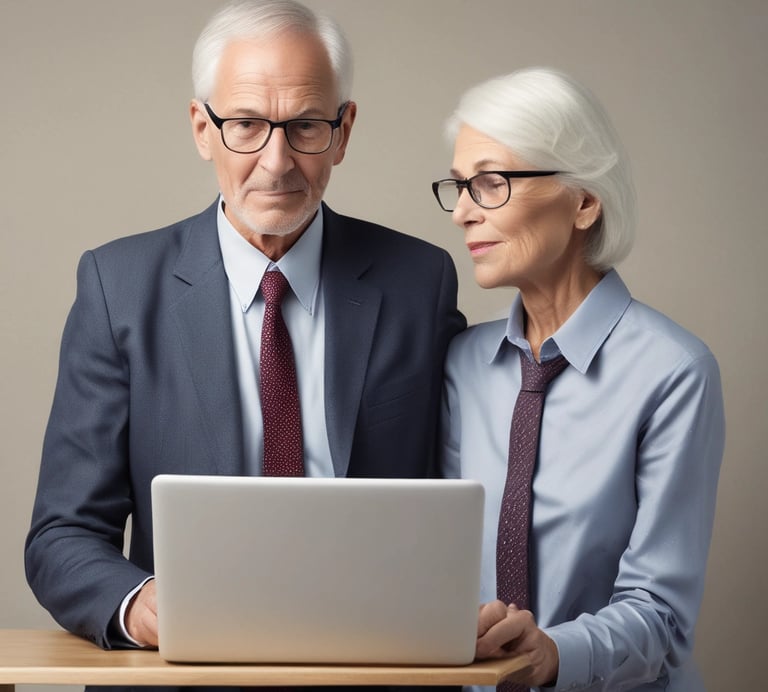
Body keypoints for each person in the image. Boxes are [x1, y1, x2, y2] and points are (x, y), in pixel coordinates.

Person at [25, 0, 465, 666]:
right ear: (202, 128)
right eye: (248, 125)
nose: (277, 161)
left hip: (372, 668)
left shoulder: (419, 283)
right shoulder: (118, 287)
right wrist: (142, 606)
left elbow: (457, 493)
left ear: (344, 131)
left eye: (306, 125)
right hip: (187, 673)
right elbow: (62, 536)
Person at [434, 67, 724, 691]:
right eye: (458, 187)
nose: (460, 213)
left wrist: (550, 655)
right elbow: (441, 565)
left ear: (584, 201)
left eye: (489, 184)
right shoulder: (463, 364)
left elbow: (663, 617)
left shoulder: (674, 372)